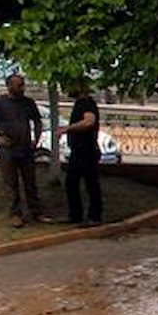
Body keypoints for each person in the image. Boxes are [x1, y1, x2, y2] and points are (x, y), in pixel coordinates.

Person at [0, 73, 52, 228]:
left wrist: (35, 140)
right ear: (9, 86)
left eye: (23, 84)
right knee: (11, 183)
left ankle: (37, 212)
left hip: (25, 148)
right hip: (8, 149)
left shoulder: (28, 103)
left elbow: (37, 121)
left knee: (30, 182)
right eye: (19, 85)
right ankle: (15, 214)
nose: (22, 88)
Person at [57, 79, 103, 227]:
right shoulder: (79, 103)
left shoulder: (86, 103)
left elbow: (89, 121)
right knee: (71, 183)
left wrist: (67, 129)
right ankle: (75, 215)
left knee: (90, 184)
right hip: (78, 150)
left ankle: (94, 217)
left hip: (87, 150)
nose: (66, 89)